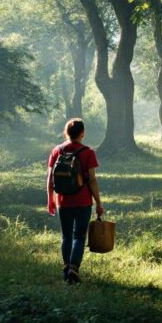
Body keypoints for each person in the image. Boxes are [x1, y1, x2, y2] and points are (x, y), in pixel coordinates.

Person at [47, 118, 103, 284]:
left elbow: (50, 178)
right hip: (83, 201)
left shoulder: (57, 150)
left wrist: (50, 199)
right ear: (82, 133)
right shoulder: (88, 152)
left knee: (66, 236)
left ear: (66, 132)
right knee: (79, 236)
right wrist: (98, 203)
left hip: (63, 202)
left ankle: (66, 267)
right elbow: (92, 180)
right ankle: (73, 269)